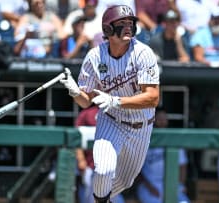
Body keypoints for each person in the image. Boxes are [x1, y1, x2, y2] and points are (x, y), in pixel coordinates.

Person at [60, 4, 160, 202]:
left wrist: (116, 100)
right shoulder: (95, 56)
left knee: (124, 182)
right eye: (121, 23)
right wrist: (75, 92)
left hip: (141, 126)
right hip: (111, 120)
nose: (128, 27)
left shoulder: (143, 53)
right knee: (103, 171)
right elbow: (85, 102)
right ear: (108, 29)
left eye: (130, 23)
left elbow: (152, 97)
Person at [135, 107, 190, 203]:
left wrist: (180, 185)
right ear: (153, 119)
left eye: (164, 119)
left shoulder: (174, 140)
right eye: (159, 119)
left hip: (171, 184)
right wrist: (149, 187)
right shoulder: (143, 140)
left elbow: (182, 167)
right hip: (149, 185)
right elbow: (136, 170)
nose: (162, 122)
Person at [75, 105, 125, 203]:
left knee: (114, 197)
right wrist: (81, 160)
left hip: (112, 166)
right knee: (90, 198)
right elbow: (76, 138)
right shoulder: (87, 113)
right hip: (91, 165)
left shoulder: (117, 112)